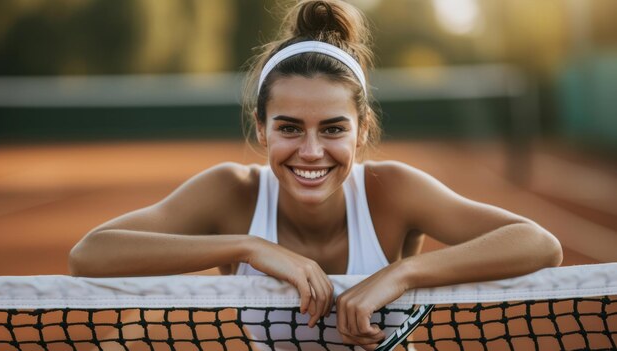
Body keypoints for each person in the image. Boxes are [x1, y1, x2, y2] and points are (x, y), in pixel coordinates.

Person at [69, 1, 563, 349]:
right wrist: (247, 247)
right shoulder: (229, 193)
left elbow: (537, 243)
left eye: (332, 128)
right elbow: (91, 254)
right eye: (289, 128)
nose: (311, 152)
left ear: (361, 130)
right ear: (261, 129)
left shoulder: (391, 190)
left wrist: (401, 273)